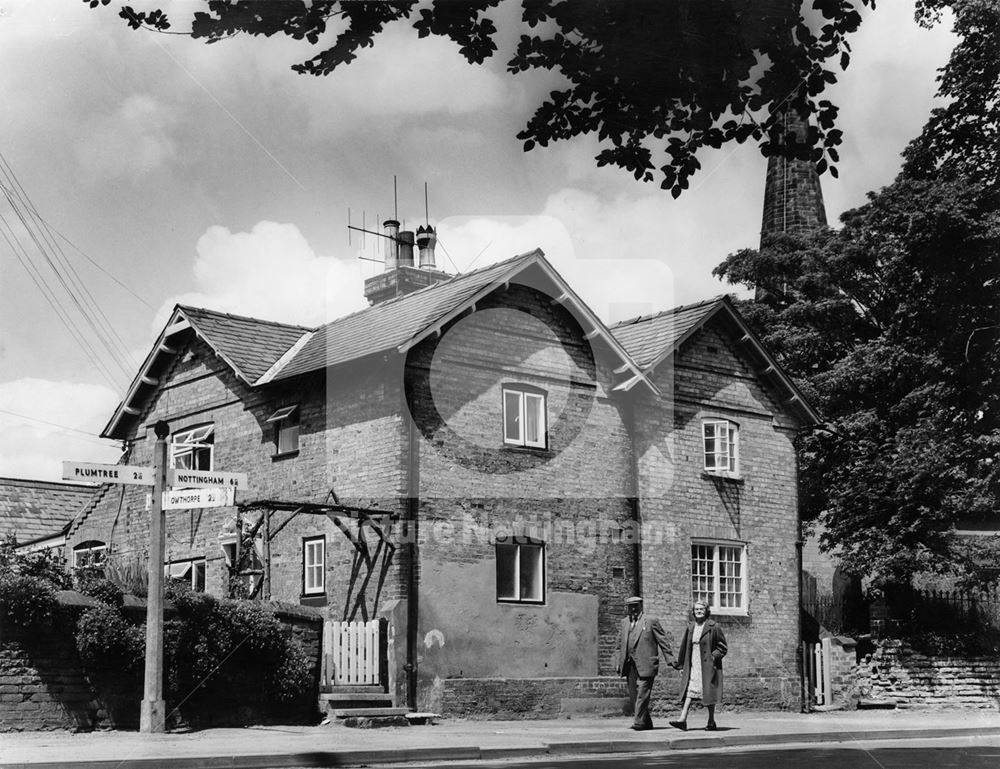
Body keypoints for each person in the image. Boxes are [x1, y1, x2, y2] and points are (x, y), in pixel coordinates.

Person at [615, 596, 674, 731]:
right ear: (627, 608)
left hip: (646, 663)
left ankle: (639, 722)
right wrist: (618, 662)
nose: (633, 609)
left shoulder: (651, 621)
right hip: (629, 664)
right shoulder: (624, 623)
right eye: (631, 606)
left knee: (642, 693)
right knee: (634, 695)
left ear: (641, 606)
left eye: (636, 605)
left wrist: (670, 659)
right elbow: (619, 644)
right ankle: (647, 722)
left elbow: (663, 641)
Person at [670, 599, 727, 731]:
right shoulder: (690, 627)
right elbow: (684, 648)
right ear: (693, 612)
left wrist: (714, 656)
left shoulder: (714, 626)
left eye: (701, 609)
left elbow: (723, 647)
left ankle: (711, 721)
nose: (699, 611)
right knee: (690, 689)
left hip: (707, 665)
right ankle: (682, 719)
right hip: (693, 663)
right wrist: (681, 666)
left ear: (706, 611)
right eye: (696, 609)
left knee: (708, 692)